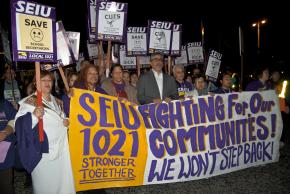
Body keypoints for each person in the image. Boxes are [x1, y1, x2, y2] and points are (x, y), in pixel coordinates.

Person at [15, 70, 75, 194]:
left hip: (62, 151)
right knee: (46, 187)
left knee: (63, 185)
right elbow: (18, 125)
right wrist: (33, 116)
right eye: (43, 80)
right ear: (36, 84)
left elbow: (62, 118)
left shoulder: (57, 101)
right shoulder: (30, 102)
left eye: (50, 80)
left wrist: (66, 121)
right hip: (43, 153)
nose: (47, 83)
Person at [0, 95, 17, 194]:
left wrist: (5, 132)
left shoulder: (4, 104)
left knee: (6, 187)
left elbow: (14, 120)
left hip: (4, 156)